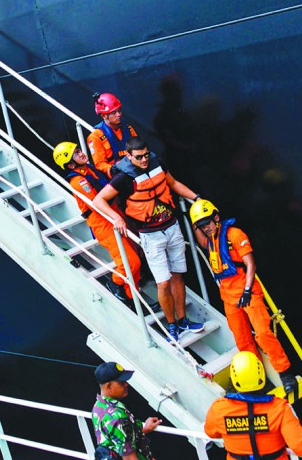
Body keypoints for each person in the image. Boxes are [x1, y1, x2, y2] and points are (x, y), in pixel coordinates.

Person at [92, 136, 204, 342]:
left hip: (172, 227)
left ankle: (183, 320)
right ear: (128, 156)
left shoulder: (157, 163)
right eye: (139, 157)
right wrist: (116, 217)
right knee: (163, 283)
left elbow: (173, 183)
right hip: (151, 235)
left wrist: (196, 198)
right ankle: (172, 326)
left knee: (178, 275)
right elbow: (99, 200)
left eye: (146, 155)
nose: (144, 160)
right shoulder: (123, 178)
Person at [189, 199, 299, 398]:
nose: (206, 228)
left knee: (263, 333)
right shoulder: (210, 240)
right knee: (242, 339)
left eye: (207, 223)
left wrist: (247, 290)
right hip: (228, 296)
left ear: (216, 218)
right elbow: (202, 242)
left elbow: (251, 264)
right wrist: (194, 223)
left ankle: (285, 373)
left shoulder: (235, 235)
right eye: (201, 226)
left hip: (247, 292)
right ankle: (257, 376)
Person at [53, 141, 141, 303]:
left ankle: (133, 298)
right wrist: (115, 217)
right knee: (131, 262)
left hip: (113, 215)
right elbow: (97, 204)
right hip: (103, 224)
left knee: (134, 258)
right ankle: (115, 283)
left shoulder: (89, 169)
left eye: (78, 150)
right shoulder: (78, 182)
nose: (81, 153)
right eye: (76, 154)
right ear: (70, 165)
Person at [204, 351, 302, 460]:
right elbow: (300, 448)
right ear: (262, 375)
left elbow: (211, 433)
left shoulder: (219, 409)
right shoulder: (280, 408)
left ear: (233, 379)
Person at [92, 362, 161, 460]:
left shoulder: (98, 406)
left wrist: (144, 428)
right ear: (109, 387)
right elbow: (129, 458)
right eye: (121, 382)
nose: (126, 384)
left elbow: (117, 436)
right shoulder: (117, 416)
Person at [87, 92, 139, 177]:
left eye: (119, 111)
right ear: (104, 116)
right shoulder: (95, 137)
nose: (118, 115)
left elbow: (139, 148)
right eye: (114, 113)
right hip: (117, 175)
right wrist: (114, 169)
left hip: (134, 168)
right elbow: (100, 164)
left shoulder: (128, 129)